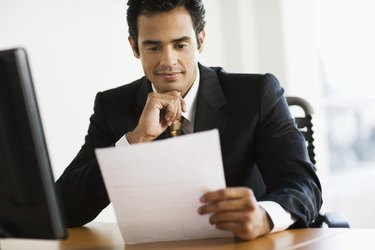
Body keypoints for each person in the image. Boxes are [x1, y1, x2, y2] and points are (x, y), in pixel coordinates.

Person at [56, 0, 322, 241]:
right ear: (134, 46)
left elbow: (303, 186)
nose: (168, 61)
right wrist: (134, 141)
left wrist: (263, 217)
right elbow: (62, 208)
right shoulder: (112, 106)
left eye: (180, 44)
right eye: (153, 46)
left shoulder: (256, 94)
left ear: (201, 40)